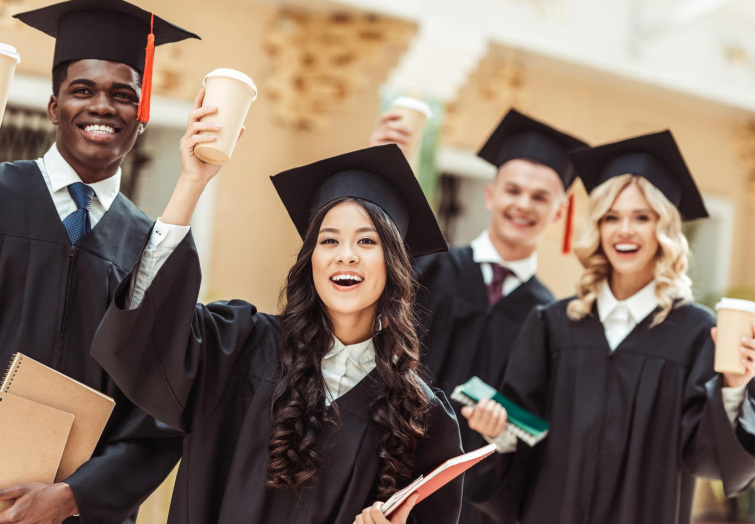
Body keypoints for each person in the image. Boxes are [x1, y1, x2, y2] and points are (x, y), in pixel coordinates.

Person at [89, 98, 464, 524]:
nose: (346, 256)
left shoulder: (420, 416)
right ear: (311, 260)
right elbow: (144, 333)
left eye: (366, 241)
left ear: (393, 263)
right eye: (328, 240)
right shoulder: (239, 346)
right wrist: (192, 183)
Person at [0, 1, 199, 522]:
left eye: (123, 96)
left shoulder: (152, 247)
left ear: (141, 116)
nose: (102, 107)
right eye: (82, 90)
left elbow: (161, 411)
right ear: (54, 107)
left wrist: (76, 495)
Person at [463, 130, 755, 524]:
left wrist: (735, 385)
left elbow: (709, 457)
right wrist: (496, 431)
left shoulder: (695, 332)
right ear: (597, 228)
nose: (624, 231)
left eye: (642, 217)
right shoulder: (553, 324)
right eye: (611, 217)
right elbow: (523, 436)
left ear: (664, 229)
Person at [372, 108, 588, 524]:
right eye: (513, 190)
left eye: (541, 197)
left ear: (559, 212)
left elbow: (545, 434)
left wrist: (502, 435)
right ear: (491, 195)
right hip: (388, 474)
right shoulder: (427, 270)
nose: (523, 204)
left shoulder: (555, 320)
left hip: (477, 502)